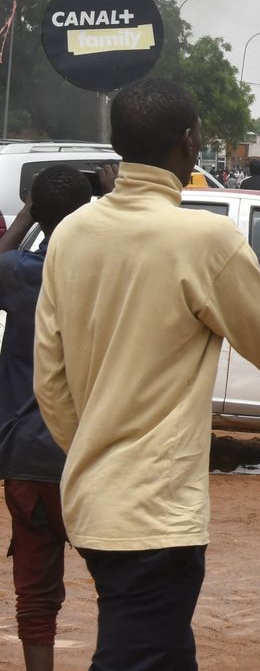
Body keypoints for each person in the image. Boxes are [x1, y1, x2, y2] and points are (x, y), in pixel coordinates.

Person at [33, 78, 260, 669]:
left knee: (167, 652)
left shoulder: (71, 234)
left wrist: (93, 449)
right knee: (138, 655)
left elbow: (50, 377)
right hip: (155, 516)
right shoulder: (201, 239)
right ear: (190, 143)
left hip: (94, 502)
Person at [0, 166, 95, 670]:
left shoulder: (19, 273)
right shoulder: (106, 276)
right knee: (120, 583)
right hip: (91, 456)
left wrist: (31, 210)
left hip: (26, 457)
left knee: (35, 590)